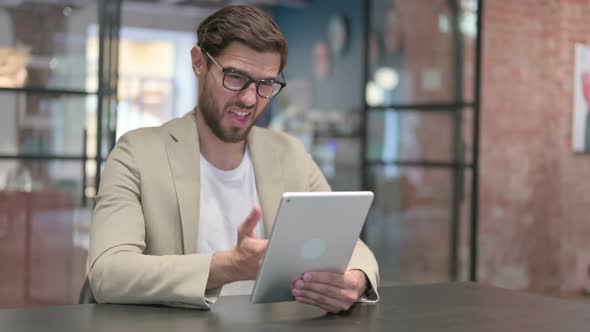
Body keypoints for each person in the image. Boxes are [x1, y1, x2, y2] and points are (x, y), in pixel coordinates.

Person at [88, 5, 379, 313]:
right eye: (236, 77)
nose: (250, 99)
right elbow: (108, 272)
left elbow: (349, 244)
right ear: (199, 63)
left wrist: (355, 280)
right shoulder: (136, 154)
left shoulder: (289, 153)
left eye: (265, 83)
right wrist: (228, 267)